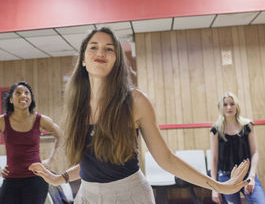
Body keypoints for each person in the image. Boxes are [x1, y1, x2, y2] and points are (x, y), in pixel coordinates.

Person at [29, 28, 250, 204]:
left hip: (130, 194)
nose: (101, 53)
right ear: (84, 60)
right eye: (93, 47)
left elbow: (167, 159)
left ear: (116, 61)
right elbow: (94, 163)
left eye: (109, 49)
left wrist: (217, 185)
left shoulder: (135, 101)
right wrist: (61, 178)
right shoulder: (77, 105)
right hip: (88, 196)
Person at [0, 81, 62, 204]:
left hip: (36, 179)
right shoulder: (1, 121)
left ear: (31, 98)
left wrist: (51, 160)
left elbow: (60, 136)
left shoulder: (41, 119)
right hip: (11, 179)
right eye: (18, 93)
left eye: (27, 93)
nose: (23, 95)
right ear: (11, 99)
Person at [210, 92, 265, 204]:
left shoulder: (248, 125)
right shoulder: (215, 130)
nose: (229, 107)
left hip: (246, 174)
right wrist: (214, 187)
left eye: (232, 104)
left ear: (236, 105)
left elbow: (255, 153)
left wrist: (251, 176)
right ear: (220, 108)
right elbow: (214, 159)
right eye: (225, 104)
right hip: (226, 177)